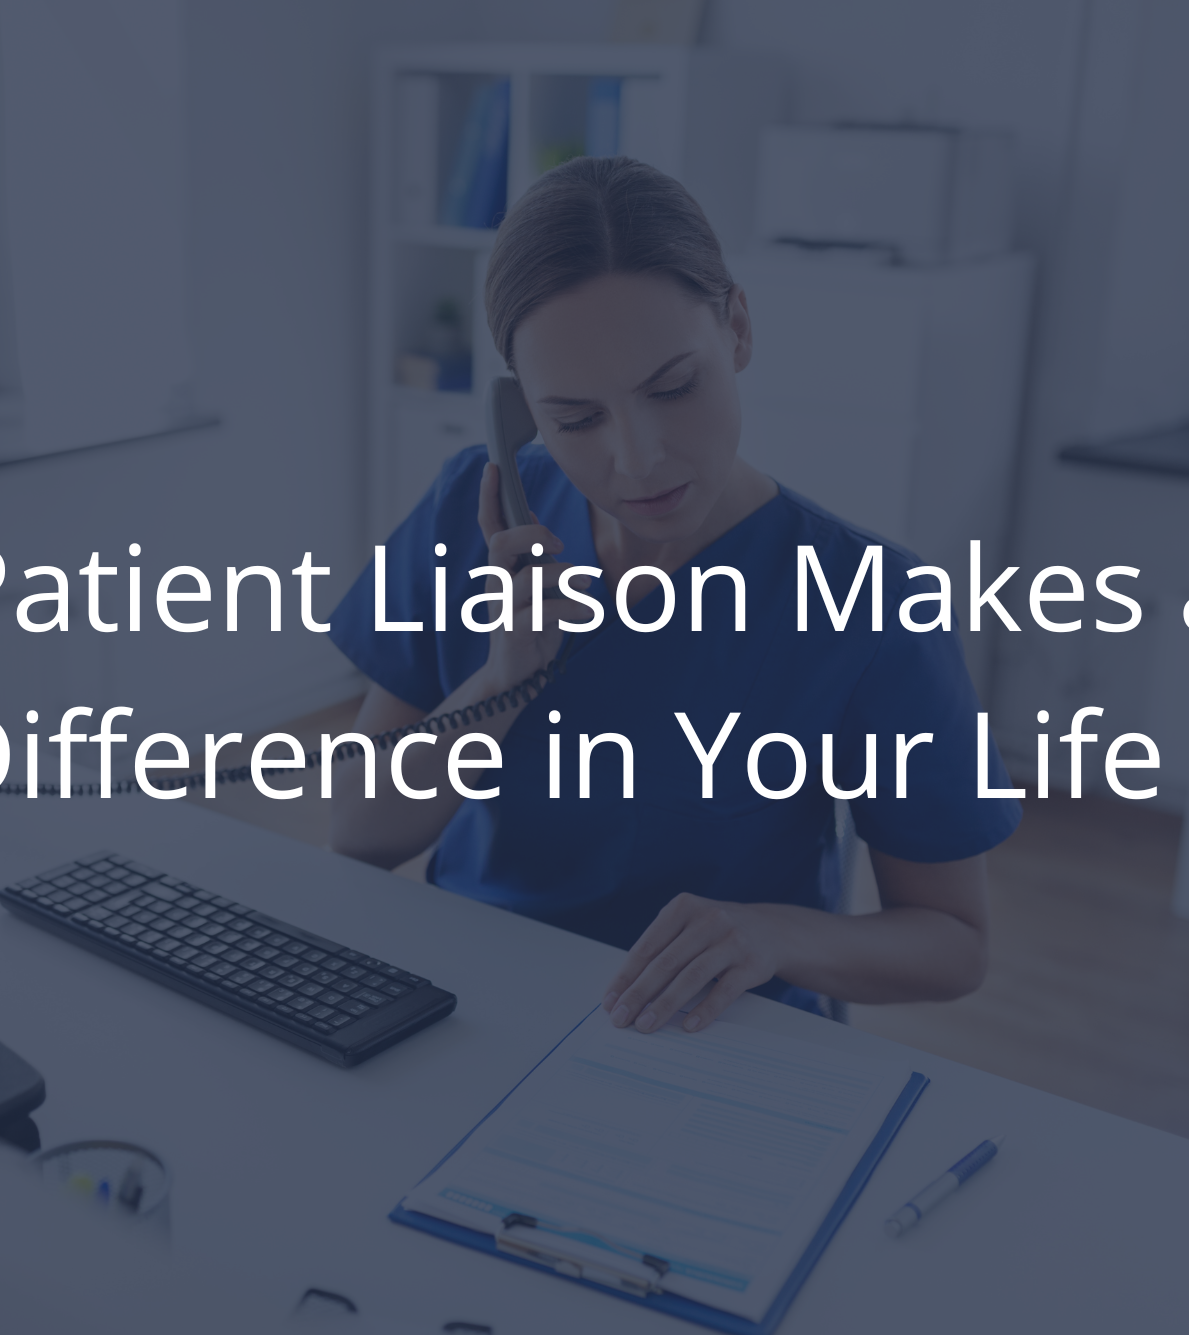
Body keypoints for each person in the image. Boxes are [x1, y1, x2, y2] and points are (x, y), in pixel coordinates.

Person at [327, 157, 1020, 1034]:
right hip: (476, 1004)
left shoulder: (873, 603)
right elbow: (358, 828)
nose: (639, 457)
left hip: (718, 1037)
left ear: (736, 327)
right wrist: (501, 677)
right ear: (521, 411)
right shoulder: (476, 514)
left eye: (673, 387)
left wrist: (772, 934)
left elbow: (955, 943)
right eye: (575, 418)